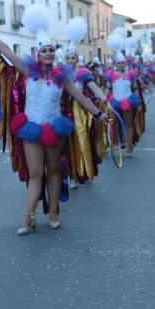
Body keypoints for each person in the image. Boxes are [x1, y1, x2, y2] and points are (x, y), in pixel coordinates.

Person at [0, 7, 109, 235]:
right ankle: (27, 217)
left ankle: (53, 213)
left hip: (54, 128)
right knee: (36, 173)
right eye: (44, 50)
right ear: (37, 54)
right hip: (31, 128)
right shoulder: (28, 71)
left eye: (51, 50)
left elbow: (80, 98)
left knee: (55, 170)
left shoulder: (63, 77)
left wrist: (99, 114)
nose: (48, 53)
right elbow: (8, 52)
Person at [63, 18, 108, 188]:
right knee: (67, 143)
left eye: (73, 57)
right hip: (65, 110)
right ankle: (72, 175)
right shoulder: (61, 74)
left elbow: (94, 87)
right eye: (68, 58)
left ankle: (86, 169)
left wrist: (105, 99)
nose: (70, 60)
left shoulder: (82, 72)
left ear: (77, 59)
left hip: (82, 110)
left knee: (83, 139)